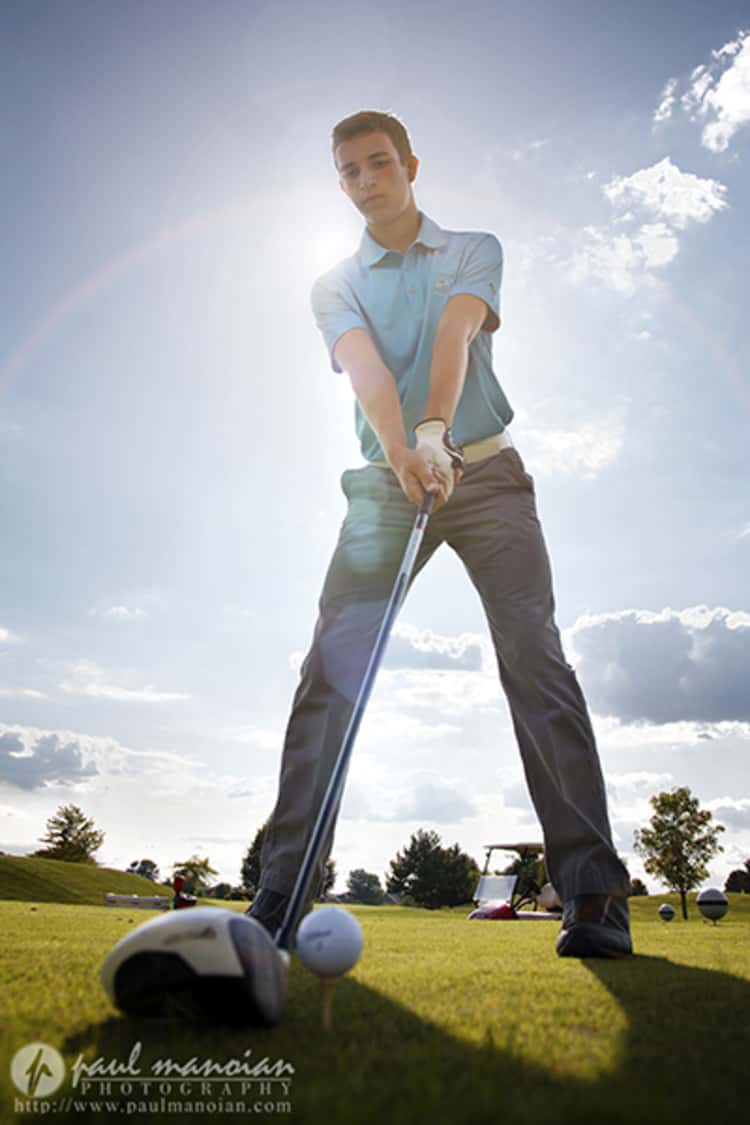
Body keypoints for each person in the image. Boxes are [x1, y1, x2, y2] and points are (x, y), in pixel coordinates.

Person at [249, 110, 632, 958]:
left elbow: (457, 330)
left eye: (378, 162)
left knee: (534, 657)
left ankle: (596, 894)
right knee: (329, 672)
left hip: (487, 475)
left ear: (411, 164)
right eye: (347, 171)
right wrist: (402, 447)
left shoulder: (473, 247)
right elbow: (364, 369)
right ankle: (278, 892)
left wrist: (435, 430)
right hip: (386, 493)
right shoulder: (333, 283)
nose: (363, 179)